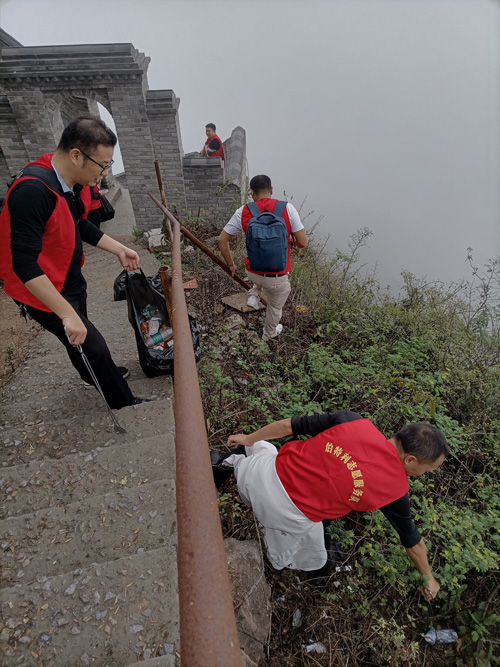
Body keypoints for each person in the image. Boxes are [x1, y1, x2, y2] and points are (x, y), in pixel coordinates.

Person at [215, 410, 448, 599]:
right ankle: (315, 589)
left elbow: (289, 426)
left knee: (256, 447)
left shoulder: (353, 421)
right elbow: (412, 540)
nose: (424, 474)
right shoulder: (395, 491)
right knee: (319, 555)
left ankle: (217, 473)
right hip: (283, 520)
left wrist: (249, 438)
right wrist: (428, 576)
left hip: (256, 479)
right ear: (410, 460)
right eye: (427, 470)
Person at [0, 115, 148, 409]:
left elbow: (80, 224)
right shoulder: (33, 192)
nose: (105, 174)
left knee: (79, 337)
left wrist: (118, 248)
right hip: (39, 287)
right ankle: (124, 403)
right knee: (93, 344)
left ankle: (91, 374)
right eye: (103, 165)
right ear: (76, 155)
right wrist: (66, 314)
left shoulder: (68, 182)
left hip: (67, 275)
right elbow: (25, 264)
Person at [218, 174, 308, 340]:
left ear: (252, 193)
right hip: (278, 278)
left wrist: (230, 265)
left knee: (259, 271)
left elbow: (222, 240)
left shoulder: (243, 211)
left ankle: (254, 294)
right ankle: (269, 334)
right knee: (274, 307)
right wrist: (288, 239)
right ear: (271, 190)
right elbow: (303, 243)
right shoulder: (287, 208)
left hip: (253, 272)